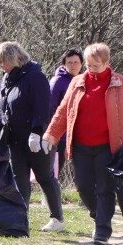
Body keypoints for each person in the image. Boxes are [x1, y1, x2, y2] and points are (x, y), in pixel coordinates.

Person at [45, 43, 123, 245]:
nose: (91, 69)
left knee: (105, 187)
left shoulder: (121, 83)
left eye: (96, 65)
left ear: (107, 63)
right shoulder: (77, 82)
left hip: (108, 145)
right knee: (83, 186)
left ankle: (102, 230)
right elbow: (63, 110)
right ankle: (99, 213)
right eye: (88, 65)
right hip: (81, 145)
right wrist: (50, 134)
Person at [0, 42, 66, 233]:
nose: (1, 65)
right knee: (20, 179)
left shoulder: (35, 77)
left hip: (36, 138)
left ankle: (56, 218)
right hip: (15, 139)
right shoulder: (7, 78)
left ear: (14, 59)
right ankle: (20, 217)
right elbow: (3, 106)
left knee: (45, 177)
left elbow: (42, 106)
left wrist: (37, 131)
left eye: (3, 61)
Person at [46, 49, 83, 189]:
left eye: (76, 62)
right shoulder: (58, 82)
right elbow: (51, 108)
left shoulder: (82, 80)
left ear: (81, 64)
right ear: (64, 64)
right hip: (60, 135)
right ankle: (50, 198)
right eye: (69, 62)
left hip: (78, 133)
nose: (73, 65)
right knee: (55, 168)